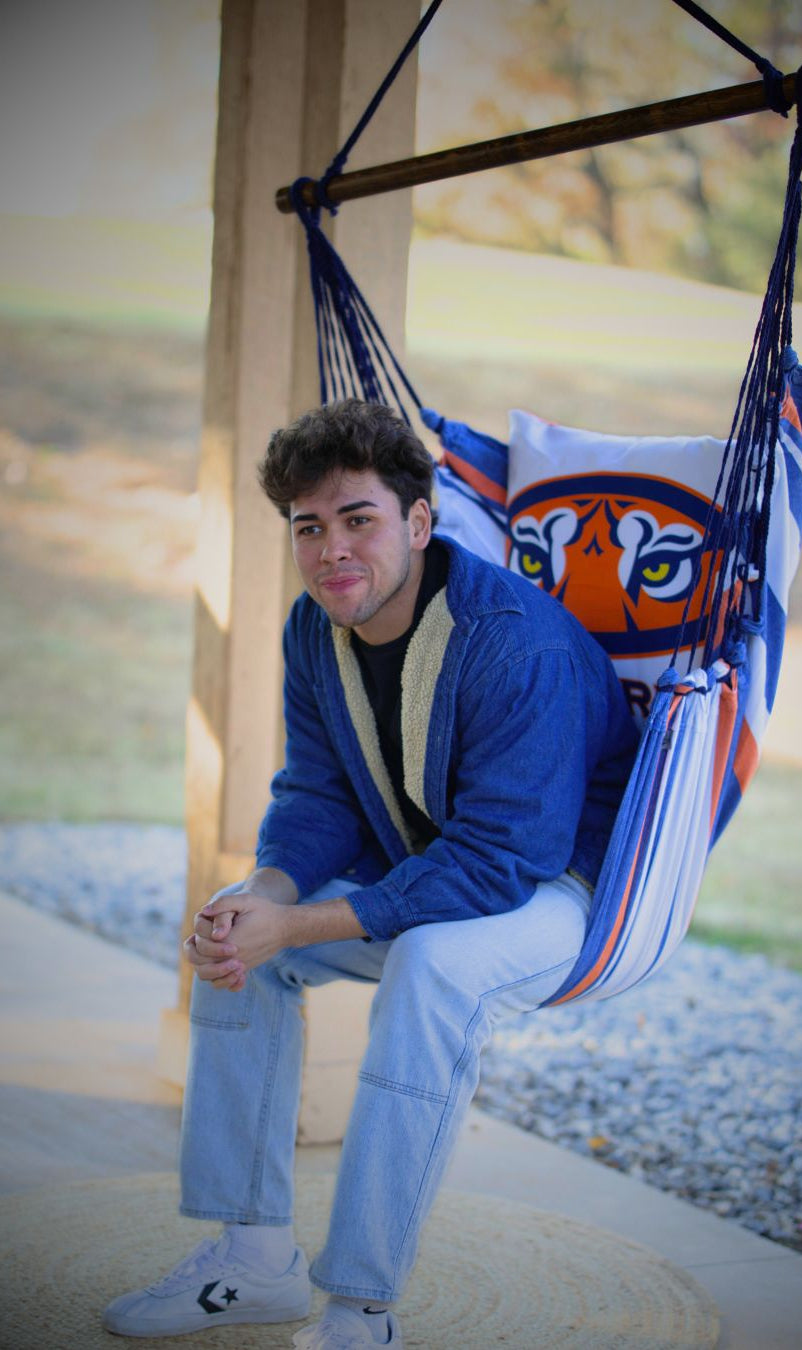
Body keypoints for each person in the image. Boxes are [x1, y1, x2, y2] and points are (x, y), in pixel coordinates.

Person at [103, 399, 636, 1349]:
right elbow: (317, 794)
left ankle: (361, 1312)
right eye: (309, 527)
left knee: (431, 970)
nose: (332, 550)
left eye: (359, 520)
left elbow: (501, 863)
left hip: (561, 893)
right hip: (433, 873)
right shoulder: (314, 631)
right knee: (239, 931)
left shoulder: (516, 645)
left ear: (419, 523)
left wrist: (303, 927)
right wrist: (264, 899)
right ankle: (254, 1260)